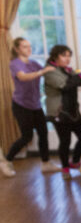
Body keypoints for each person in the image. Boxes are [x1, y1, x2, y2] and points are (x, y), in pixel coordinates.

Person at [5, 37, 59, 175]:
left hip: (35, 105)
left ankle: (46, 163)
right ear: (17, 49)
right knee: (27, 137)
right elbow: (23, 77)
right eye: (24, 46)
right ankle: (7, 161)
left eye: (29, 46)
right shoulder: (15, 63)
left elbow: (50, 73)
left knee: (43, 133)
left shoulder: (34, 63)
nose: (29, 49)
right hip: (21, 105)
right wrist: (42, 72)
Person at [43, 45, 81, 180]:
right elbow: (65, 85)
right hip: (59, 112)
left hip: (73, 111)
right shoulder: (50, 70)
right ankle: (65, 168)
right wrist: (80, 74)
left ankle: (75, 162)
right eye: (64, 55)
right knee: (65, 141)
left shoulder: (68, 70)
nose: (68, 58)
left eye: (69, 55)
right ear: (55, 56)